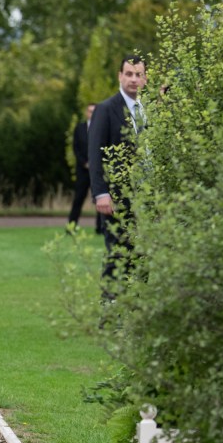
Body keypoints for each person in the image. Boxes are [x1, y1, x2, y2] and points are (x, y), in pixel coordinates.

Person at [89, 56, 147, 282]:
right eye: (129, 74)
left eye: (138, 74)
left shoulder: (148, 109)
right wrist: (101, 193)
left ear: (145, 78)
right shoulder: (105, 109)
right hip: (117, 198)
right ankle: (111, 310)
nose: (134, 79)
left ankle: (140, 309)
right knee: (118, 256)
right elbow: (95, 154)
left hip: (146, 197)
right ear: (120, 76)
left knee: (143, 256)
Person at [66, 103, 99, 233]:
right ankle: (72, 226)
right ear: (86, 113)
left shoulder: (103, 128)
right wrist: (84, 163)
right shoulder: (79, 128)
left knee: (100, 198)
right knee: (78, 198)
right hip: (83, 170)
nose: (92, 114)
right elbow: (76, 148)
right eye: (90, 111)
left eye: (94, 111)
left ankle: (100, 227)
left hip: (98, 170)